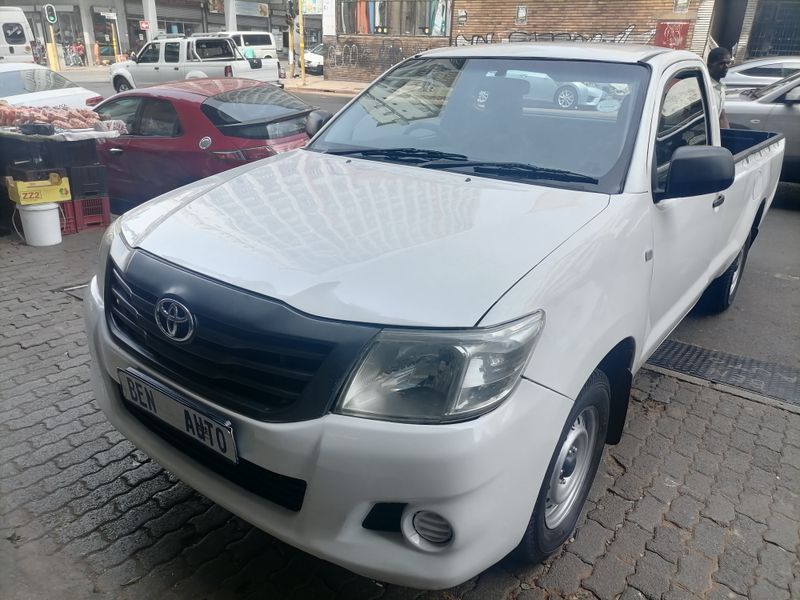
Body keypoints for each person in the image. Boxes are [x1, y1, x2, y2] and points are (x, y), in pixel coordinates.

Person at [707, 47, 732, 129]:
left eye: (728, 63)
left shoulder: (721, 87)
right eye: (721, 63)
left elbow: (722, 117)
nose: (726, 66)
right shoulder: (704, 86)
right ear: (710, 66)